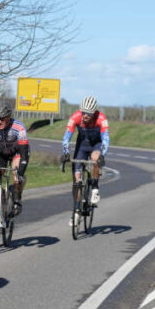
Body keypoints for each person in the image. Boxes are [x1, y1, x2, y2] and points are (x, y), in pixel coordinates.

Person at [60, 96, 109, 225]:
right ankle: (76, 210)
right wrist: (65, 152)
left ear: (94, 113)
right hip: (82, 145)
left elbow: (106, 140)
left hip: (96, 145)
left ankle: (95, 187)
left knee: (95, 158)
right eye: (83, 112)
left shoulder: (101, 119)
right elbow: (66, 138)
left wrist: (102, 155)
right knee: (76, 179)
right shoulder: (75, 117)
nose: (85, 116)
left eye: (89, 113)